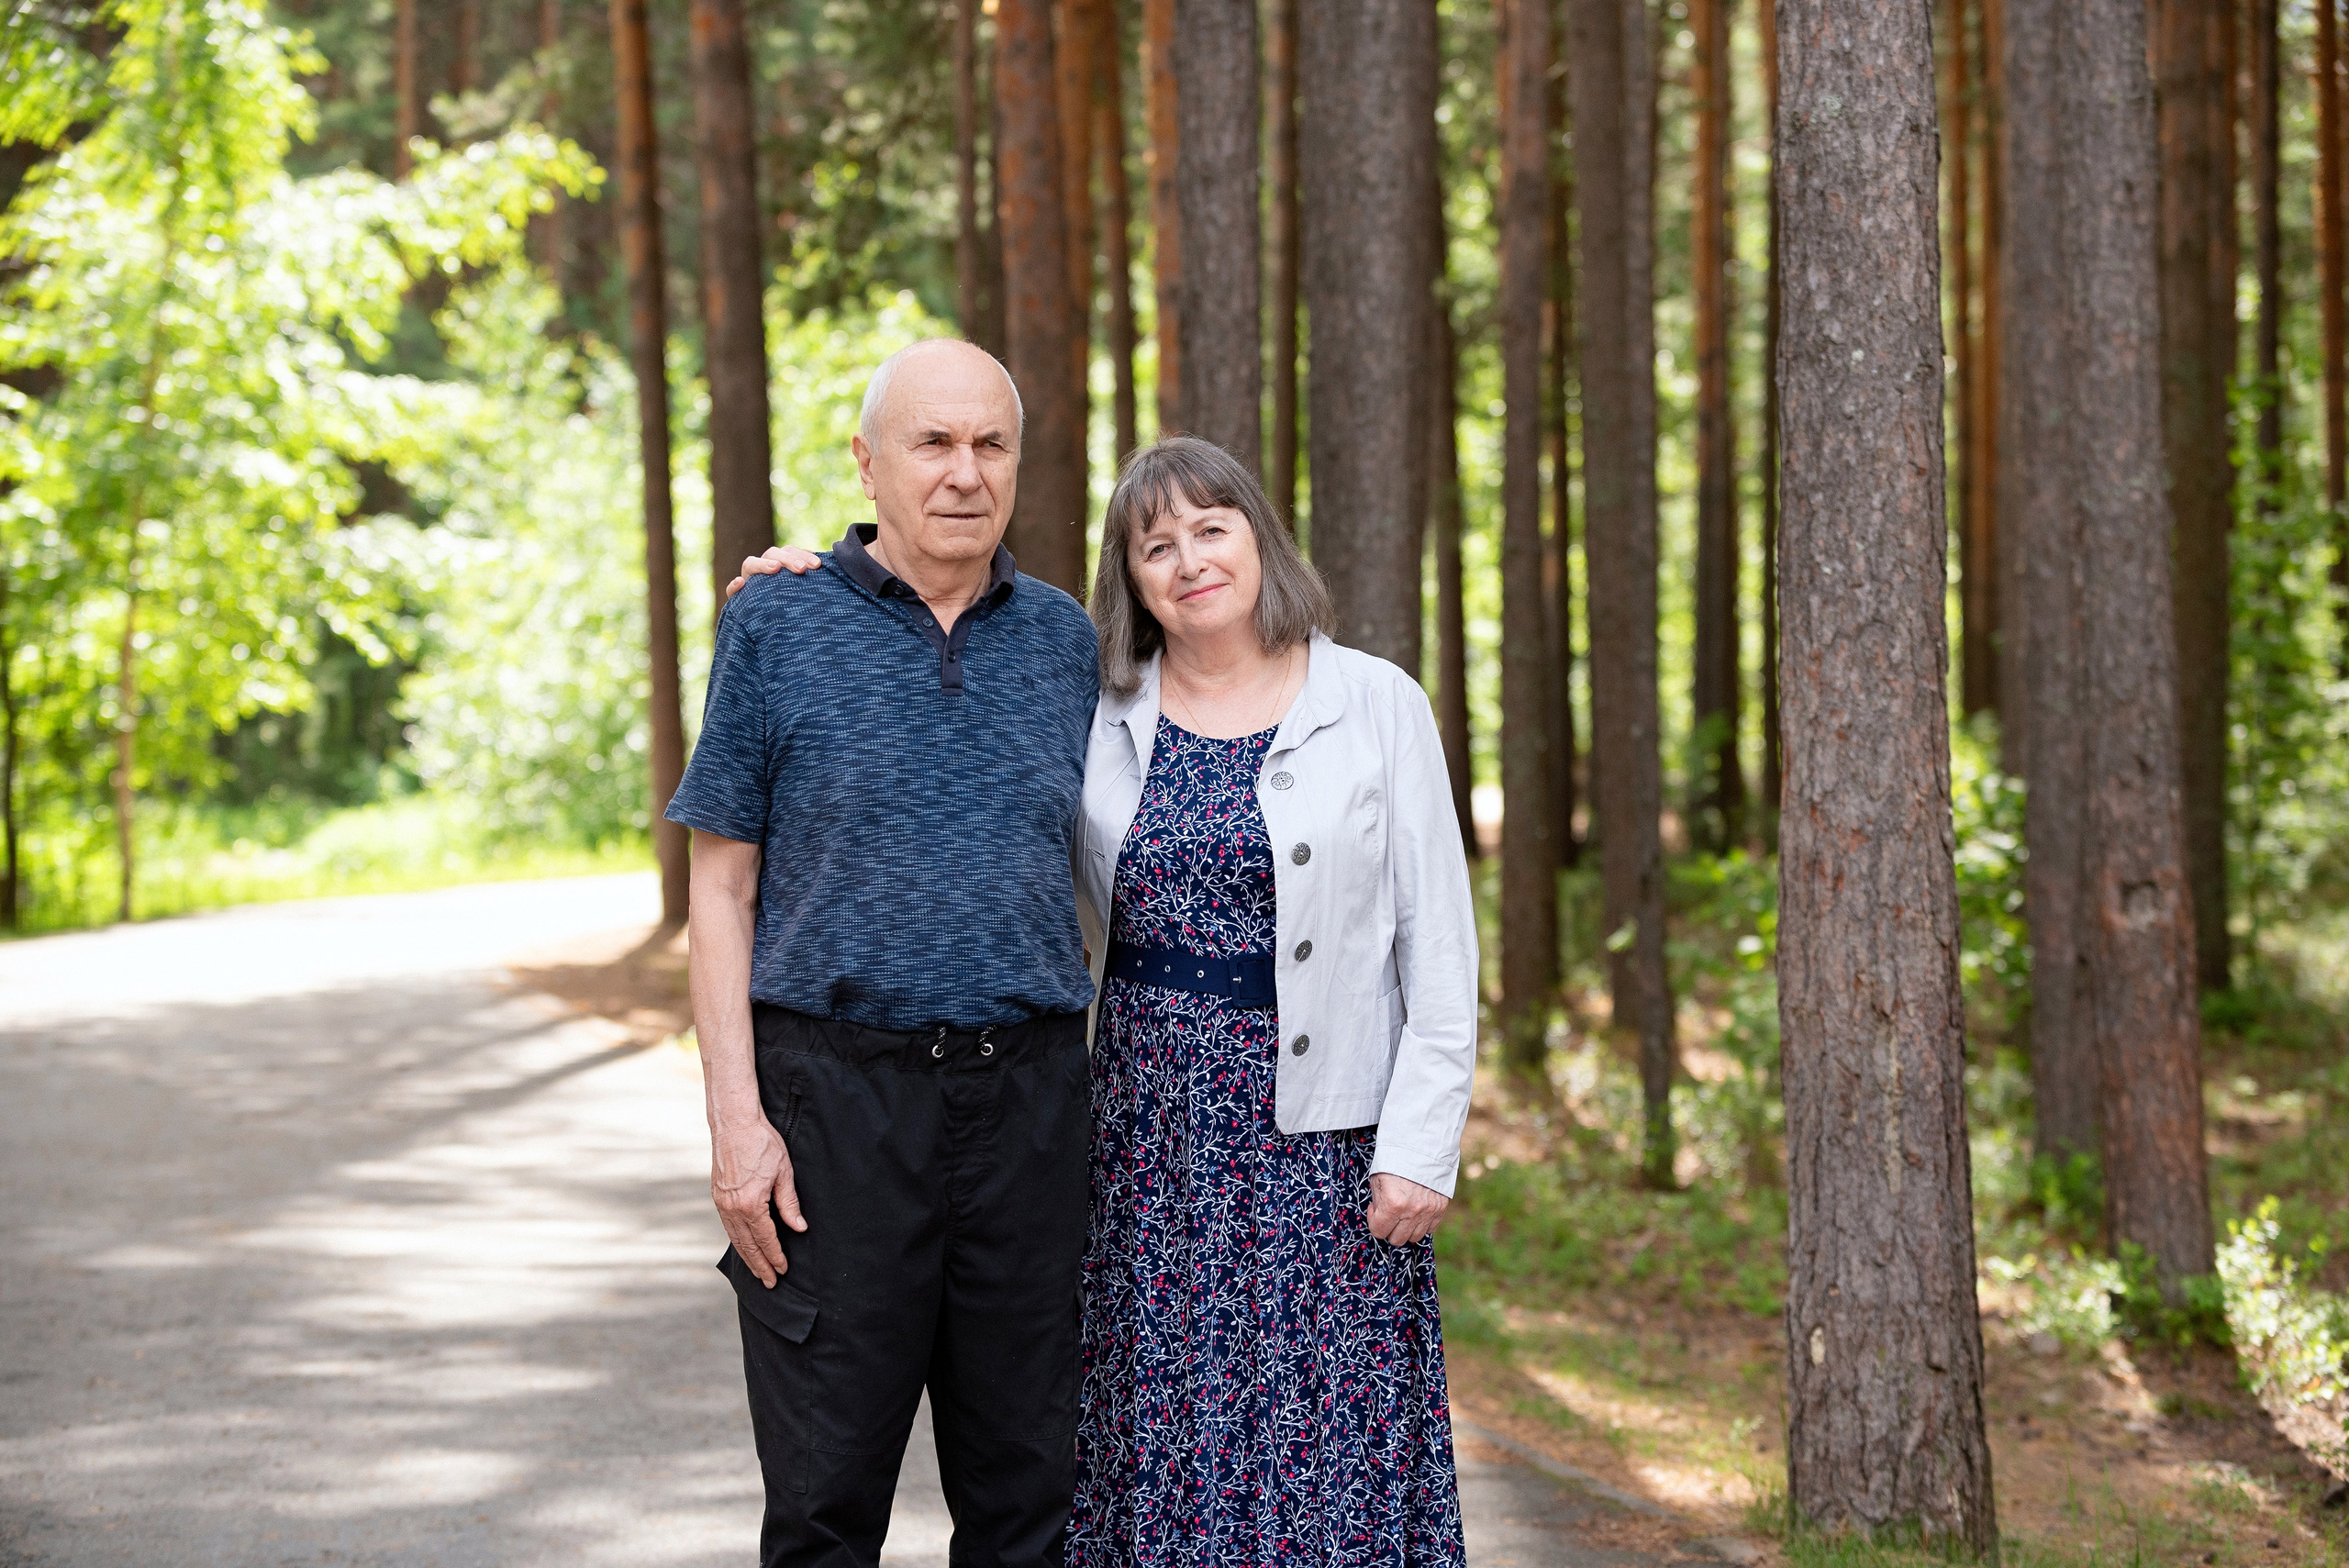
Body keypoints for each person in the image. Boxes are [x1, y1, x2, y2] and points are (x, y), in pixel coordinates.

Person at [733, 433, 1477, 1568]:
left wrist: (1423, 1144)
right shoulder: (1099, 691)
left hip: (1317, 1144)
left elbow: (1440, 947)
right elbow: (951, 695)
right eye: (1154, 546)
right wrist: (808, 575)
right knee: (1144, 1439)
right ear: (1128, 582)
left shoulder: (1374, 702)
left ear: (1260, 538)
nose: (1188, 561)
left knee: (1316, 1440)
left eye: (1210, 529)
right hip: (1138, 1143)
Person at [668, 337, 1101, 1568]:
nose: (965, 473)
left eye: (991, 444)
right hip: (833, 1116)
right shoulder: (778, 626)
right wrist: (735, 1124)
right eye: (933, 442)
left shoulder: (1066, 643)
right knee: (824, 1509)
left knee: (1033, 1509)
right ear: (867, 462)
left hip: (1030, 1111)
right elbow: (722, 886)